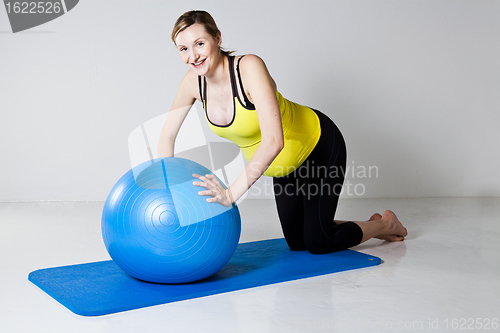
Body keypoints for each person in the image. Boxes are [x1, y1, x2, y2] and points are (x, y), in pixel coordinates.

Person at [157, 10, 407, 254]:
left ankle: (386, 224)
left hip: (317, 146)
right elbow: (167, 135)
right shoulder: (193, 83)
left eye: (199, 43)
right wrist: (166, 189)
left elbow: (274, 141)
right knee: (298, 241)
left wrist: (230, 194)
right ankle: (363, 223)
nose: (193, 56)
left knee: (318, 242)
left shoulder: (248, 68)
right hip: (284, 167)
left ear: (217, 39)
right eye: (184, 49)